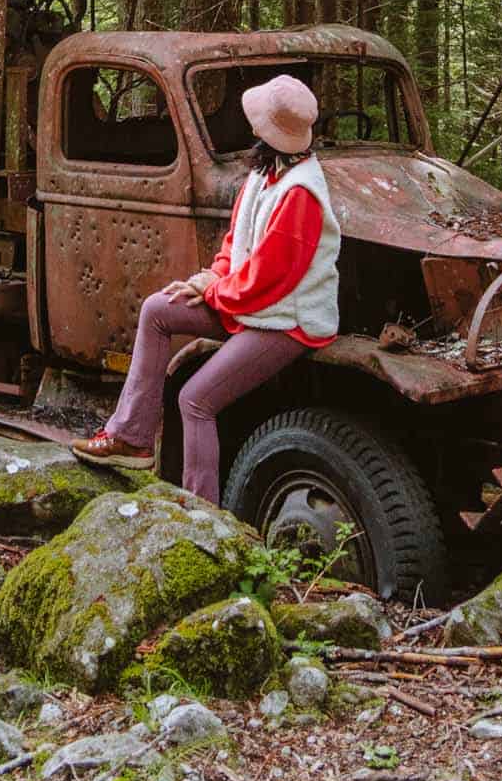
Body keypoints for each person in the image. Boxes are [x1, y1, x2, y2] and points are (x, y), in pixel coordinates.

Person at [71, 73, 342, 503]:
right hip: (250, 303)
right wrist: (210, 278)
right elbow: (237, 242)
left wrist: (214, 294)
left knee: (196, 399)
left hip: (288, 322)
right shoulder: (267, 172)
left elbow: (269, 281)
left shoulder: (301, 193)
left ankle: (202, 513)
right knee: (158, 309)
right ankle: (132, 438)